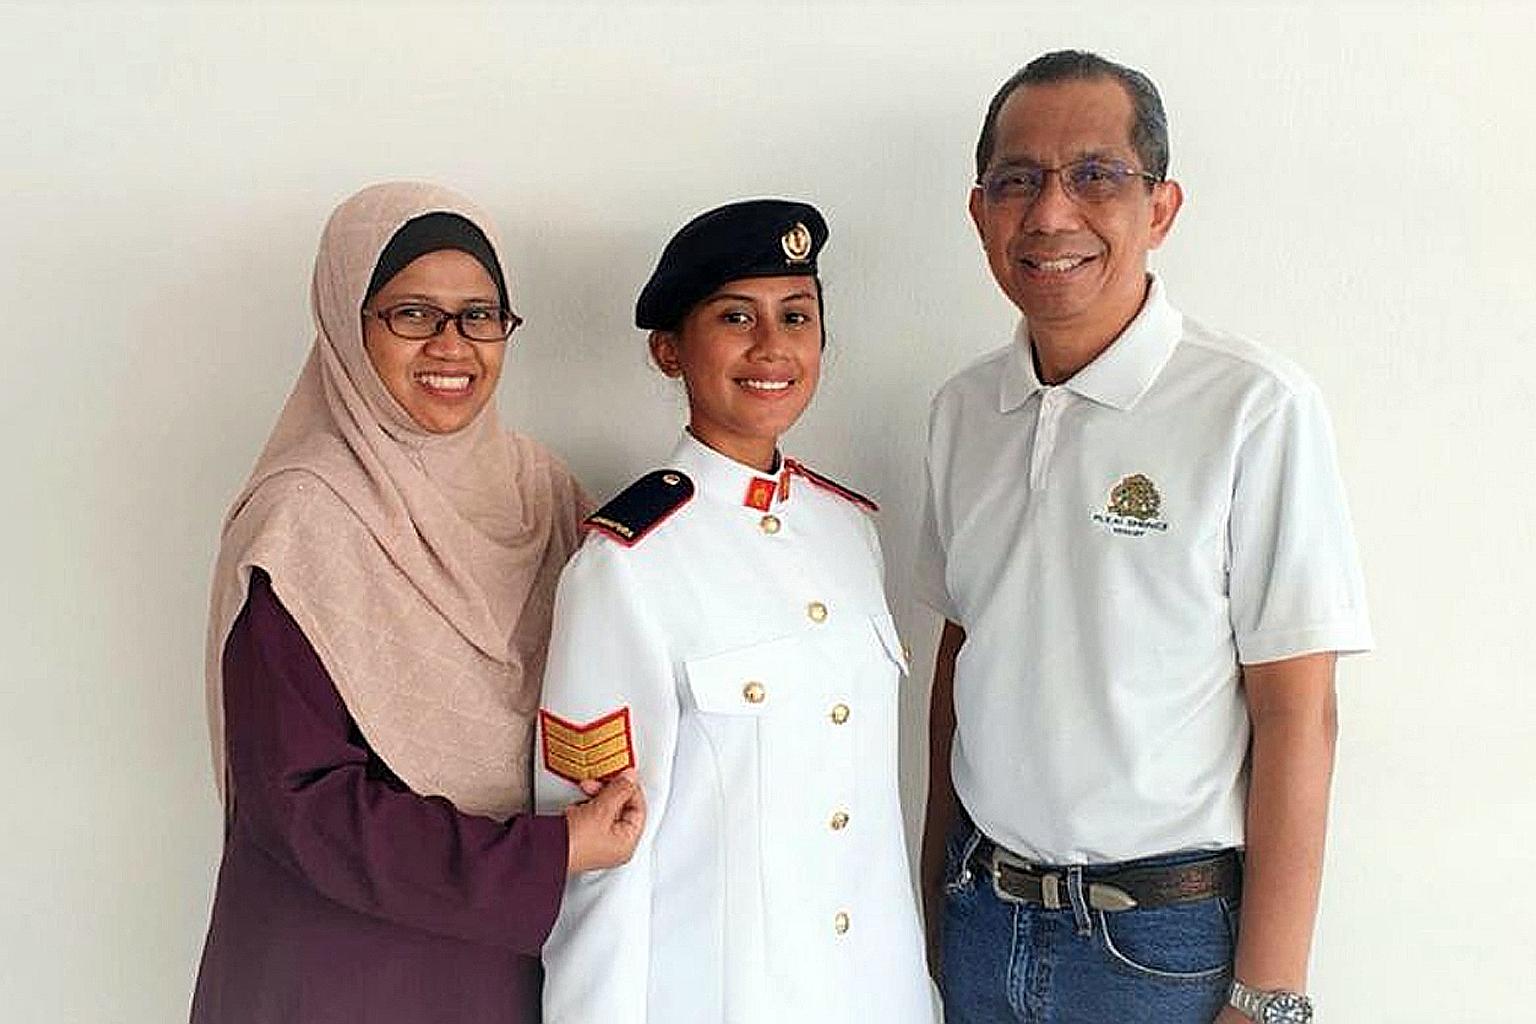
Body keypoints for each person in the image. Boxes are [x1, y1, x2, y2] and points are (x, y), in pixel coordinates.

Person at [917, 51, 1371, 1024]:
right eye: (1018, 181)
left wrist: (1270, 995)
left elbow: (1300, 711)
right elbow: (962, 658)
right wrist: (930, 913)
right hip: (982, 914)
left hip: (1162, 946)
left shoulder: (1252, 407)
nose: (1050, 214)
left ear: (1160, 208)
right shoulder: (963, 410)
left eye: (1095, 175)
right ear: (980, 211)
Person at [190, 181, 644, 1024]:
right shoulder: (303, 520)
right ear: (347, 327)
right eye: (411, 314)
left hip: (517, 962)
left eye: (480, 315)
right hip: (341, 970)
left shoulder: (545, 495)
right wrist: (550, 853)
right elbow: (302, 806)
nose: (453, 344)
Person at [535, 199, 935, 1024]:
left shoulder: (850, 533)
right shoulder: (626, 568)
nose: (772, 346)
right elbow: (597, 864)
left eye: (796, 316)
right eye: (734, 317)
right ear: (669, 349)